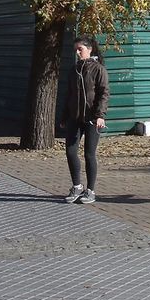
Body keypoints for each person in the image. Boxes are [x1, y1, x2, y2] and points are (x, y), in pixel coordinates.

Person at [62, 37, 109, 204]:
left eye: (80, 49)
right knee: (70, 151)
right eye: (75, 49)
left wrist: (100, 115)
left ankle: (90, 191)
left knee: (89, 154)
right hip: (74, 117)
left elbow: (104, 94)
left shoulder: (98, 69)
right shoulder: (74, 70)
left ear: (89, 50)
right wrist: (64, 116)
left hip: (92, 119)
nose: (77, 52)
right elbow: (69, 95)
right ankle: (77, 186)